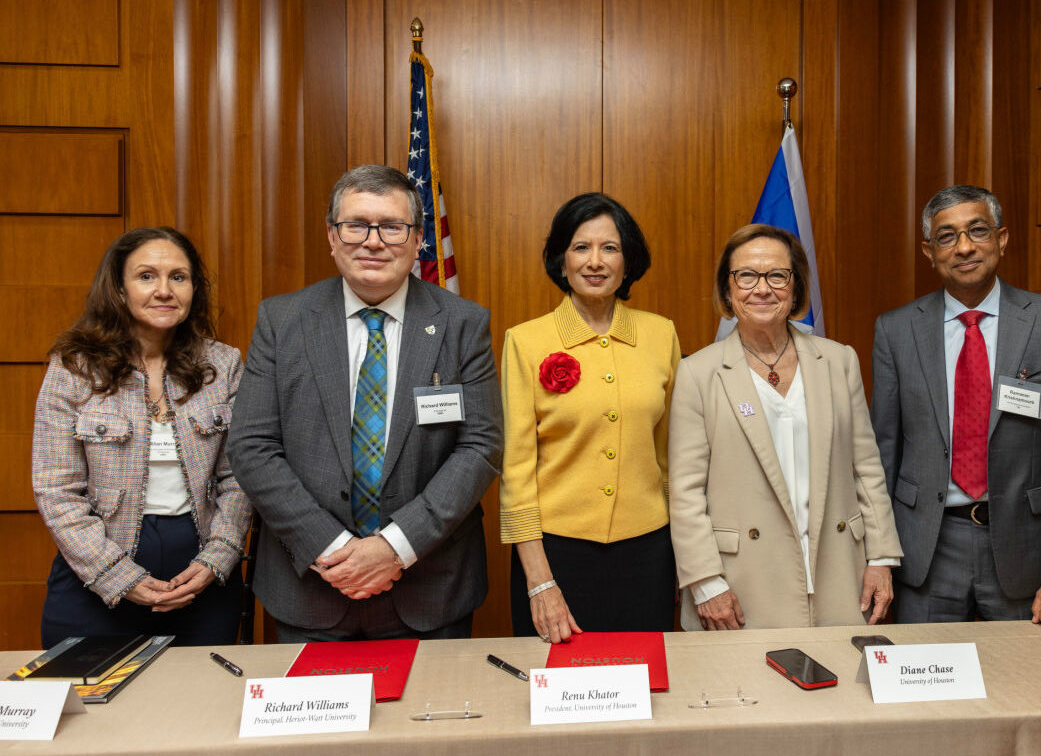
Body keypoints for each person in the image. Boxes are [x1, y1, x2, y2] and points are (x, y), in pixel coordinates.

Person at [227, 165, 501, 642]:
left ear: (418, 241)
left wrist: (395, 546)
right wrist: (333, 549)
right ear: (332, 237)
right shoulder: (282, 320)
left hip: (429, 589)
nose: (373, 241)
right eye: (356, 225)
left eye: (392, 227)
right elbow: (252, 447)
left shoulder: (462, 324)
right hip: (310, 587)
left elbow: (479, 446)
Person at [871, 184, 1041, 624]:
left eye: (977, 231)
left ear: (1001, 239)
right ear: (929, 250)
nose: (963, 247)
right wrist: (877, 557)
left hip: (1028, 556)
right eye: (947, 236)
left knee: (1026, 689)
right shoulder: (896, 331)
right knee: (926, 688)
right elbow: (882, 457)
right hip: (924, 554)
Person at [668, 224, 902, 630]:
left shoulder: (839, 361)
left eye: (777, 275)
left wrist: (880, 558)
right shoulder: (698, 372)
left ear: (795, 289)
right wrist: (705, 583)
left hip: (838, 570)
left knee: (841, 688)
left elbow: (866, 468)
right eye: (746, 276)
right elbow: (685, 492)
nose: (762, 289)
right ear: (728, 290)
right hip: (739, 583)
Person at [33, 227, 250, 648]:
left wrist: (219, 555)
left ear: (194, 289)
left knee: (200, 708)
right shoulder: (74, 368)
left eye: (179, 277)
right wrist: (115, 574)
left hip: (201, 580)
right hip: (93, 578)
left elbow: (240, 476)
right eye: (146, 276)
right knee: (92, 710)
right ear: (118, 289)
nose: (164, 290)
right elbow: (55, 487)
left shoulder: (223, 365)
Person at [500, 193, 680, 643]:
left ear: (627, 261)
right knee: (559, 695)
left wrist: (685, 561)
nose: (595, 262)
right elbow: (516, 472)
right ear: (562, 260)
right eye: (581, 247)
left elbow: (672, 458)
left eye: (610, 248)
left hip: (649, 554)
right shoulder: (525, 341)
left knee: (644, 694)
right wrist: (539, 582)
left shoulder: (661, 334)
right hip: (555, 558)